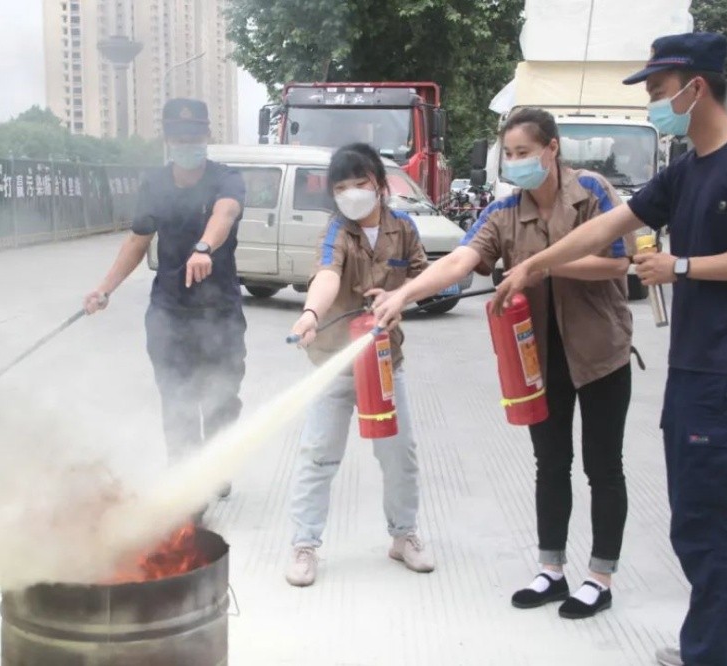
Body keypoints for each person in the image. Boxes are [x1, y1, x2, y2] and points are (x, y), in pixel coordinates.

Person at [493, 33, 727, 666]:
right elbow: (611, 226)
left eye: (659, 91)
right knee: (698, 518)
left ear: (696, 87)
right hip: (691, 365)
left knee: (705, 521)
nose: (654, 103)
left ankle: (713, 655)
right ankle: (723, 649)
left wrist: (682, 266)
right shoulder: (686, 168)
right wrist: (533, 265)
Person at [374, 107, 636, 620]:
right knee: (550, 463)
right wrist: (404, 294)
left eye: (523, 152)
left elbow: (618, 261)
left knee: (603, 466)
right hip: (539, 358)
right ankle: (552, 570)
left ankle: (600, 577)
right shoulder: (505, 212)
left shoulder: (591, 191)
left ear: (551, 148)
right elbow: (461, 260)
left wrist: (541, 267)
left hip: (600, 353)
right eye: (509, 155)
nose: (515, 163)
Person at [284, 143, 435, 587]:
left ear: (380, 185)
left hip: (385, 361)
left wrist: (401, 297)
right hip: (334, 360)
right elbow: (327, 275)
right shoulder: (336, 230)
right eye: (341, 188)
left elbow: (423, 276)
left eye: (360, 183)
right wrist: (311, 314)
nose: (351, 194)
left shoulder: (403, 228)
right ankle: (304, 545)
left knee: (399, 454)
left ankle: (403, 535)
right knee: (319, 455)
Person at [84, 98, 247, 503]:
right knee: (176, 396)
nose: (187, 143)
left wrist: (204, 248)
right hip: (169, 311)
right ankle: (185, 474)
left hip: (219, 312)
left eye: (194, 135)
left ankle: (216, 465)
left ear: (207, 135)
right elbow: (137, 240)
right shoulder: (154, 184)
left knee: (221, 397)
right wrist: (105, 289)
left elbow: (224, 215)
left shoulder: (227, 179)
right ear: (167, 139)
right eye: (179, 137)